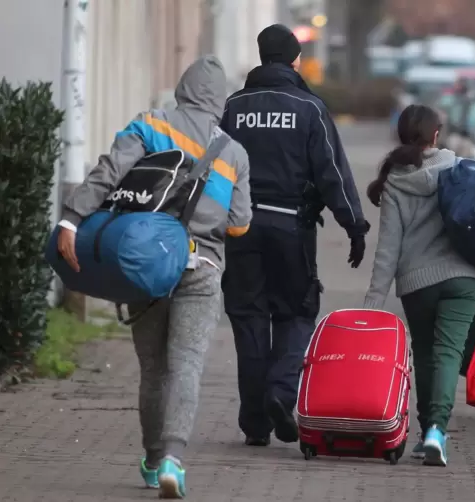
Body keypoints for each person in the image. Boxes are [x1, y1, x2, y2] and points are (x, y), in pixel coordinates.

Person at [56, 55, 252, 499]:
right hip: (200, 267)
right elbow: (239, 224)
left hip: (143, 263)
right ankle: (173, 461)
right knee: (186, 366)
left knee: (153, 370)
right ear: (220, 100)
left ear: (182, 89)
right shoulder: (233, 152)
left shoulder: (150, 123)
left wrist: (71, 218)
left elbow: (109, 172)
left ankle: (149, 457)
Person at [220, 24, 370, 447]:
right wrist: (354, 226)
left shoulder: (233, 107)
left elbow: (215, 167)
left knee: (249, 318)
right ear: (293, 60)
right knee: (297, 313)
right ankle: (281, 393)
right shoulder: (309, 108)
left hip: (241, 227)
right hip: (291, 227)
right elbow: (332, 172)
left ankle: (254, 423)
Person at [363, 104, 475, 467]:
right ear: (435, 134)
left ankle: (426, 431)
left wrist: (373, 303)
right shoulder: (458, 168)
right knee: (449, 354)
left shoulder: (395, 180)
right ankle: (436, 432)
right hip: (463, 279)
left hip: (417, 283)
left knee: (427, 355)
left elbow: (388, 248)